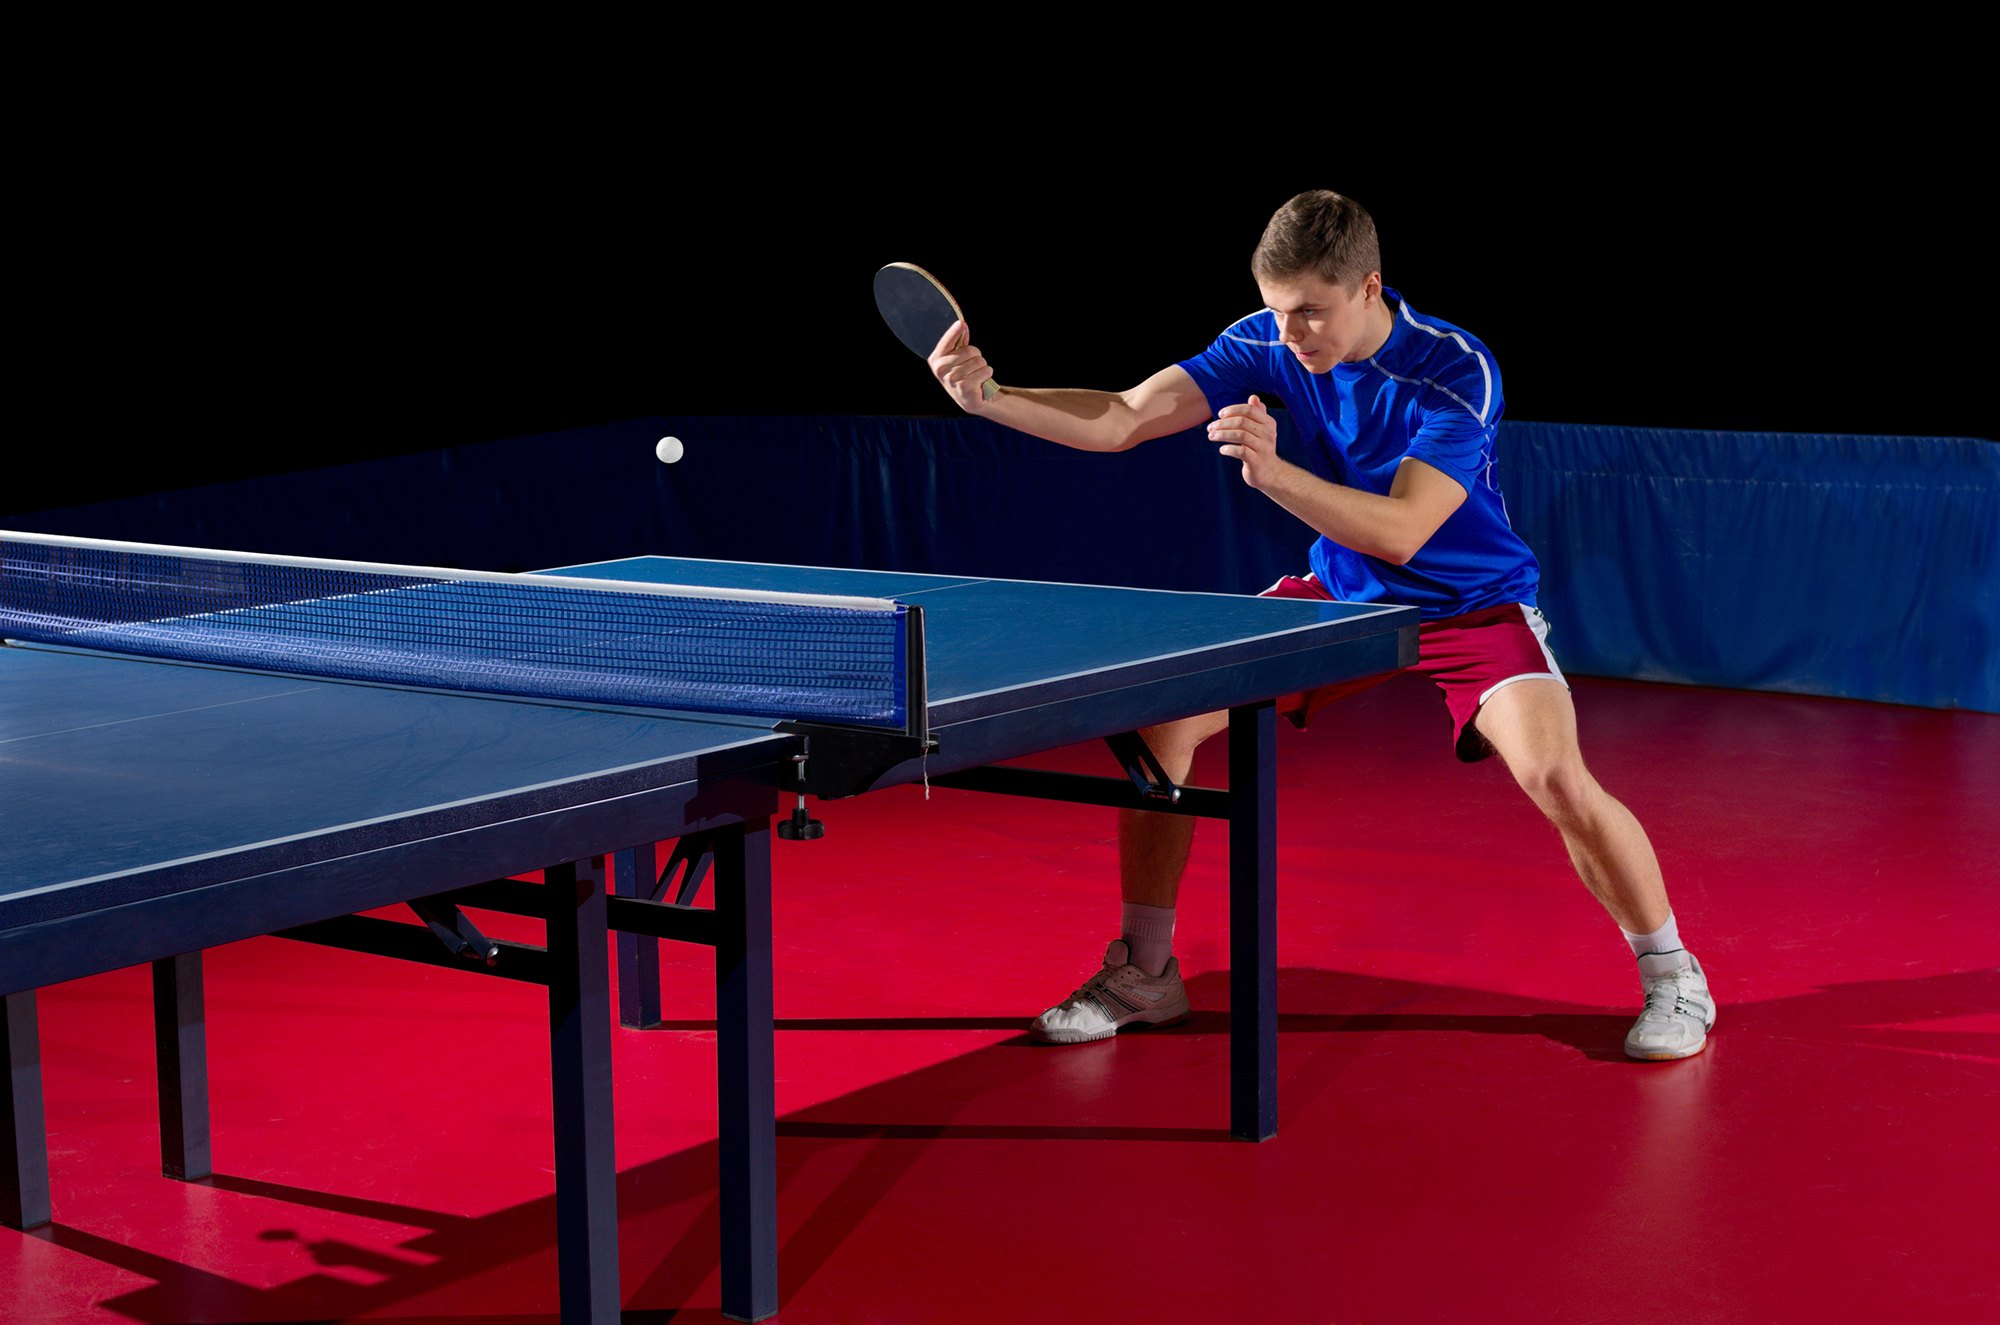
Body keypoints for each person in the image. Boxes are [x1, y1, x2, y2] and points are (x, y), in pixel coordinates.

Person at [925, 190, 1714, 1061]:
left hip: (1468, 602)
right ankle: (1146, 972)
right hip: (1343, 594)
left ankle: (1673, 974)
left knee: (1556, 775)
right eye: (1277, 311)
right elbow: (1126, 417)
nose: (1292, 333)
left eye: (1310, 312)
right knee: (1160, 724)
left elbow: (1406, 528)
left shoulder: (1454, 368)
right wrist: (994, 396)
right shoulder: (1268, 339)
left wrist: (1272, 475)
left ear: (1369, 287)